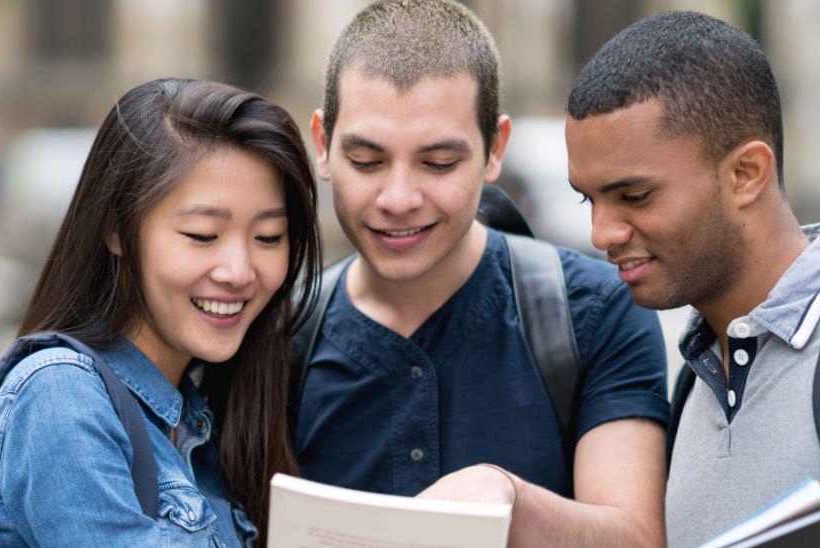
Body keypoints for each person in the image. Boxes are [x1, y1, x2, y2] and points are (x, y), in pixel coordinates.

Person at [293, 1, 669, 546]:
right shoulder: (277, 336)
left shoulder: (594, 312)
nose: (398, 199)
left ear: (495, 149)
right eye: (367, 162)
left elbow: (636, 537)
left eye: (438, 163)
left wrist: (508, 500)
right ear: (323, 145)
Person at [0, 78, 322, 546]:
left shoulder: (203, 420)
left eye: (268, 238)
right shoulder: (61, 396)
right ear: (117, 229)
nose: (239, 272)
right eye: (202, 235)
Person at [565, 11, 819, 548]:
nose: (600, 232)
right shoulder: (694, 379)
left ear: (745, 173)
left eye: (634, 196)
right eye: (589, 199)